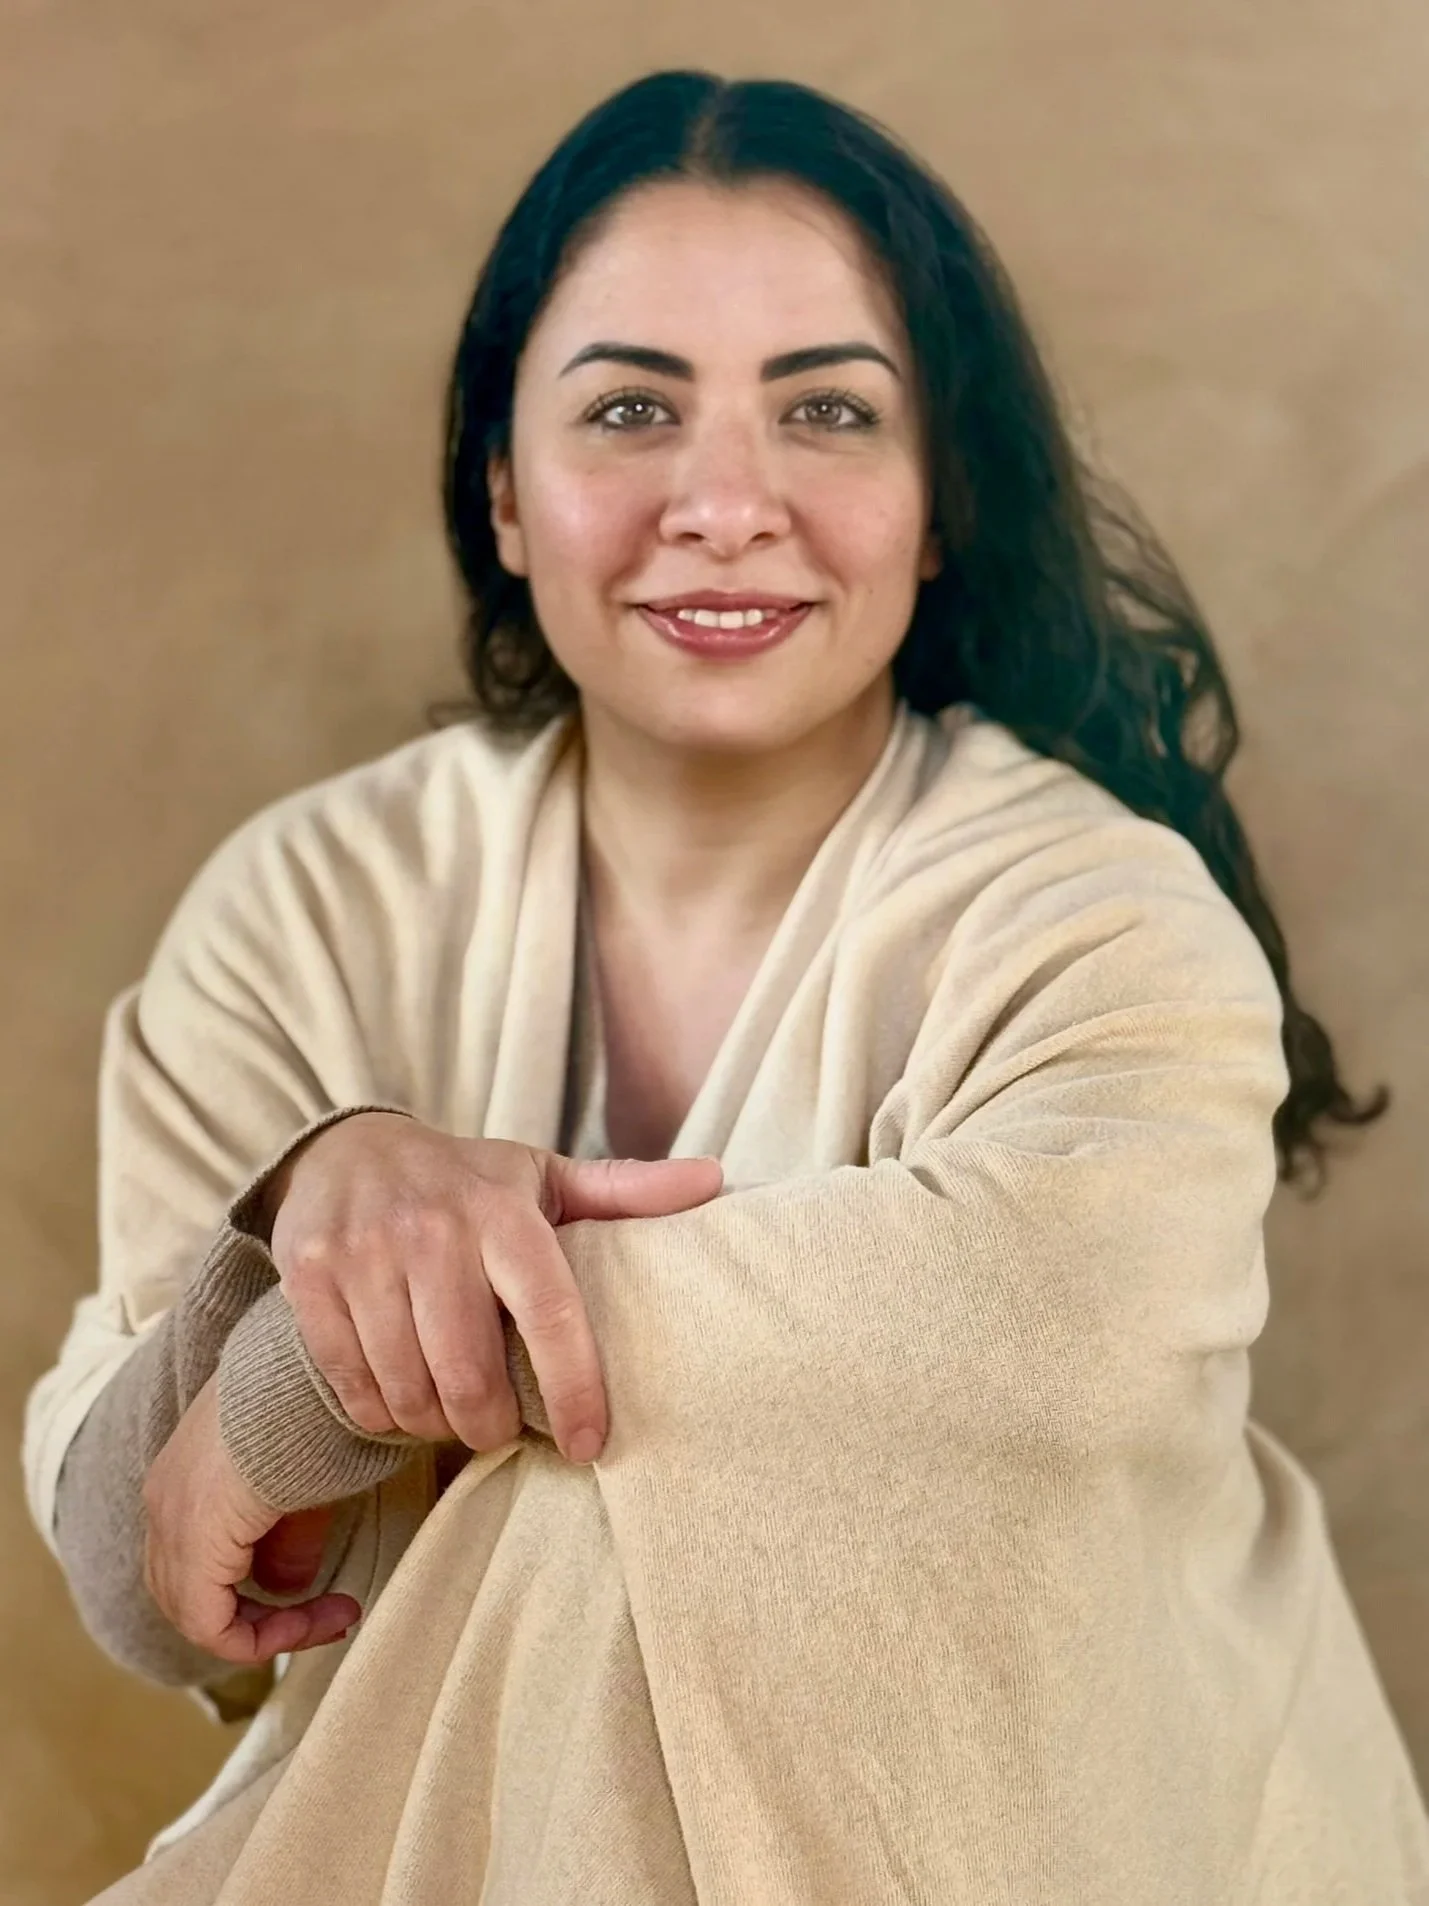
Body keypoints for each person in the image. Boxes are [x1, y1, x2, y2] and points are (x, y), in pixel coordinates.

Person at [24, 66, 1429, 1905]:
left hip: (1077, 1831)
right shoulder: (303, 907)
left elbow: (1038, 1350)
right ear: (505, 494)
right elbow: (161, 1584)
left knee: (608, 1522)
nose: (726, 504)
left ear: (940, 505)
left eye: (827, 412)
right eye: (629, 410)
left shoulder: (1106, 917)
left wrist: (313, 1359)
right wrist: (325, 1192)